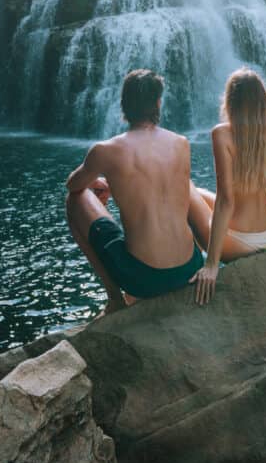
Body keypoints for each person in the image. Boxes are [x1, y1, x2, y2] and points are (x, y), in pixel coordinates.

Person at [65, 69, 204, 314]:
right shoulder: (181, 143)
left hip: (144, 279)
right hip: (190, 267)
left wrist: (101, 181)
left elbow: (73, 185)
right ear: (158, 102)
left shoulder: (105, 151)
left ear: (123, 104)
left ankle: (114, 299)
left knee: (75, 199)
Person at [188, 68, 266, 305]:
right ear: (263, 101)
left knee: (183, 189)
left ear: (230, 101)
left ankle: (189, 270)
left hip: (237, 244)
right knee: (198, 192)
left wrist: (212, 264)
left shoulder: (222, 134)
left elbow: (226, 200)